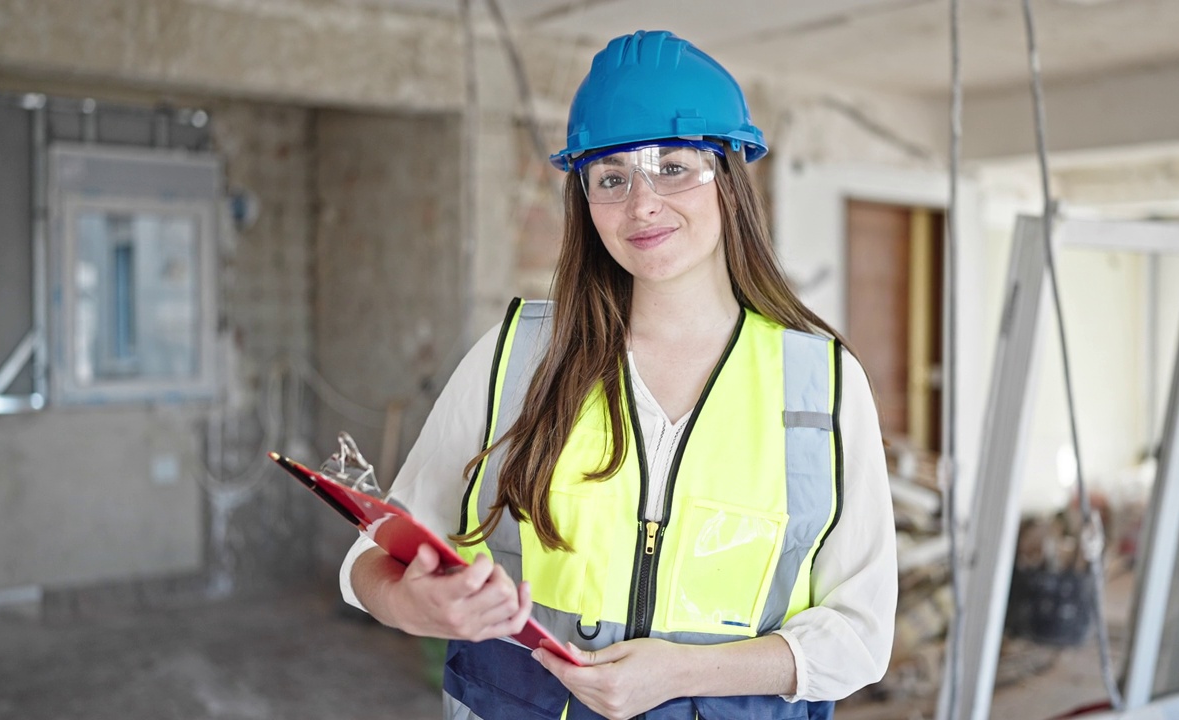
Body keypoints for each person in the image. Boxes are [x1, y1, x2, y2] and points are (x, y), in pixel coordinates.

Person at [340, 29, 897, 720]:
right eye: (612, 177)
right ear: (585, 198)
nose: (642, 204)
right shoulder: (515, 357)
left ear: (727, 177)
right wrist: (409, 604)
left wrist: (686, 672)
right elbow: (373, 556)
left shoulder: (824, 385)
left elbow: (861, 637)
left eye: (673, 166)